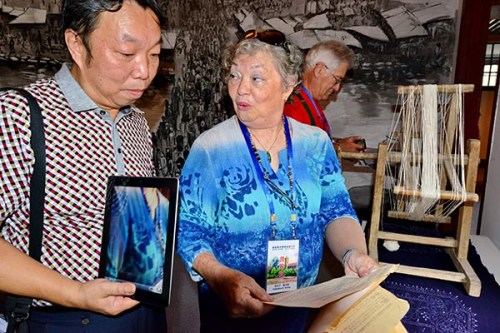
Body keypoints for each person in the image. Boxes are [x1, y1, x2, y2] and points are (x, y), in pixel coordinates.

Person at [176, 30, 379, 333]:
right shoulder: (211, 148)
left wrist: (353, 254)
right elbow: (188, 231)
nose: (240, 89)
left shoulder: (315, 143)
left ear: (288, 87)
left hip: (299, 303)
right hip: (232, 309)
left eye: (256, 78)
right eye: (234, 75)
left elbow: (335, 210)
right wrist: (219, 276)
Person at [0, 0, 167, 331]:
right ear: (77, 44)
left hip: (145, 315)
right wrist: (75, 293)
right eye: (126, 53)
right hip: (65, 319)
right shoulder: (19, 116)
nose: (144, 71)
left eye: (154, 54)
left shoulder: (136, 123)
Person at [284, 40, 366, 153]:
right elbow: (294, 152)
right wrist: (338, 149)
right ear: (319, 70)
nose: (337, 88)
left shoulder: (307, 101)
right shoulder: (292, 105)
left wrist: (337, 143)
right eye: (337, 80)